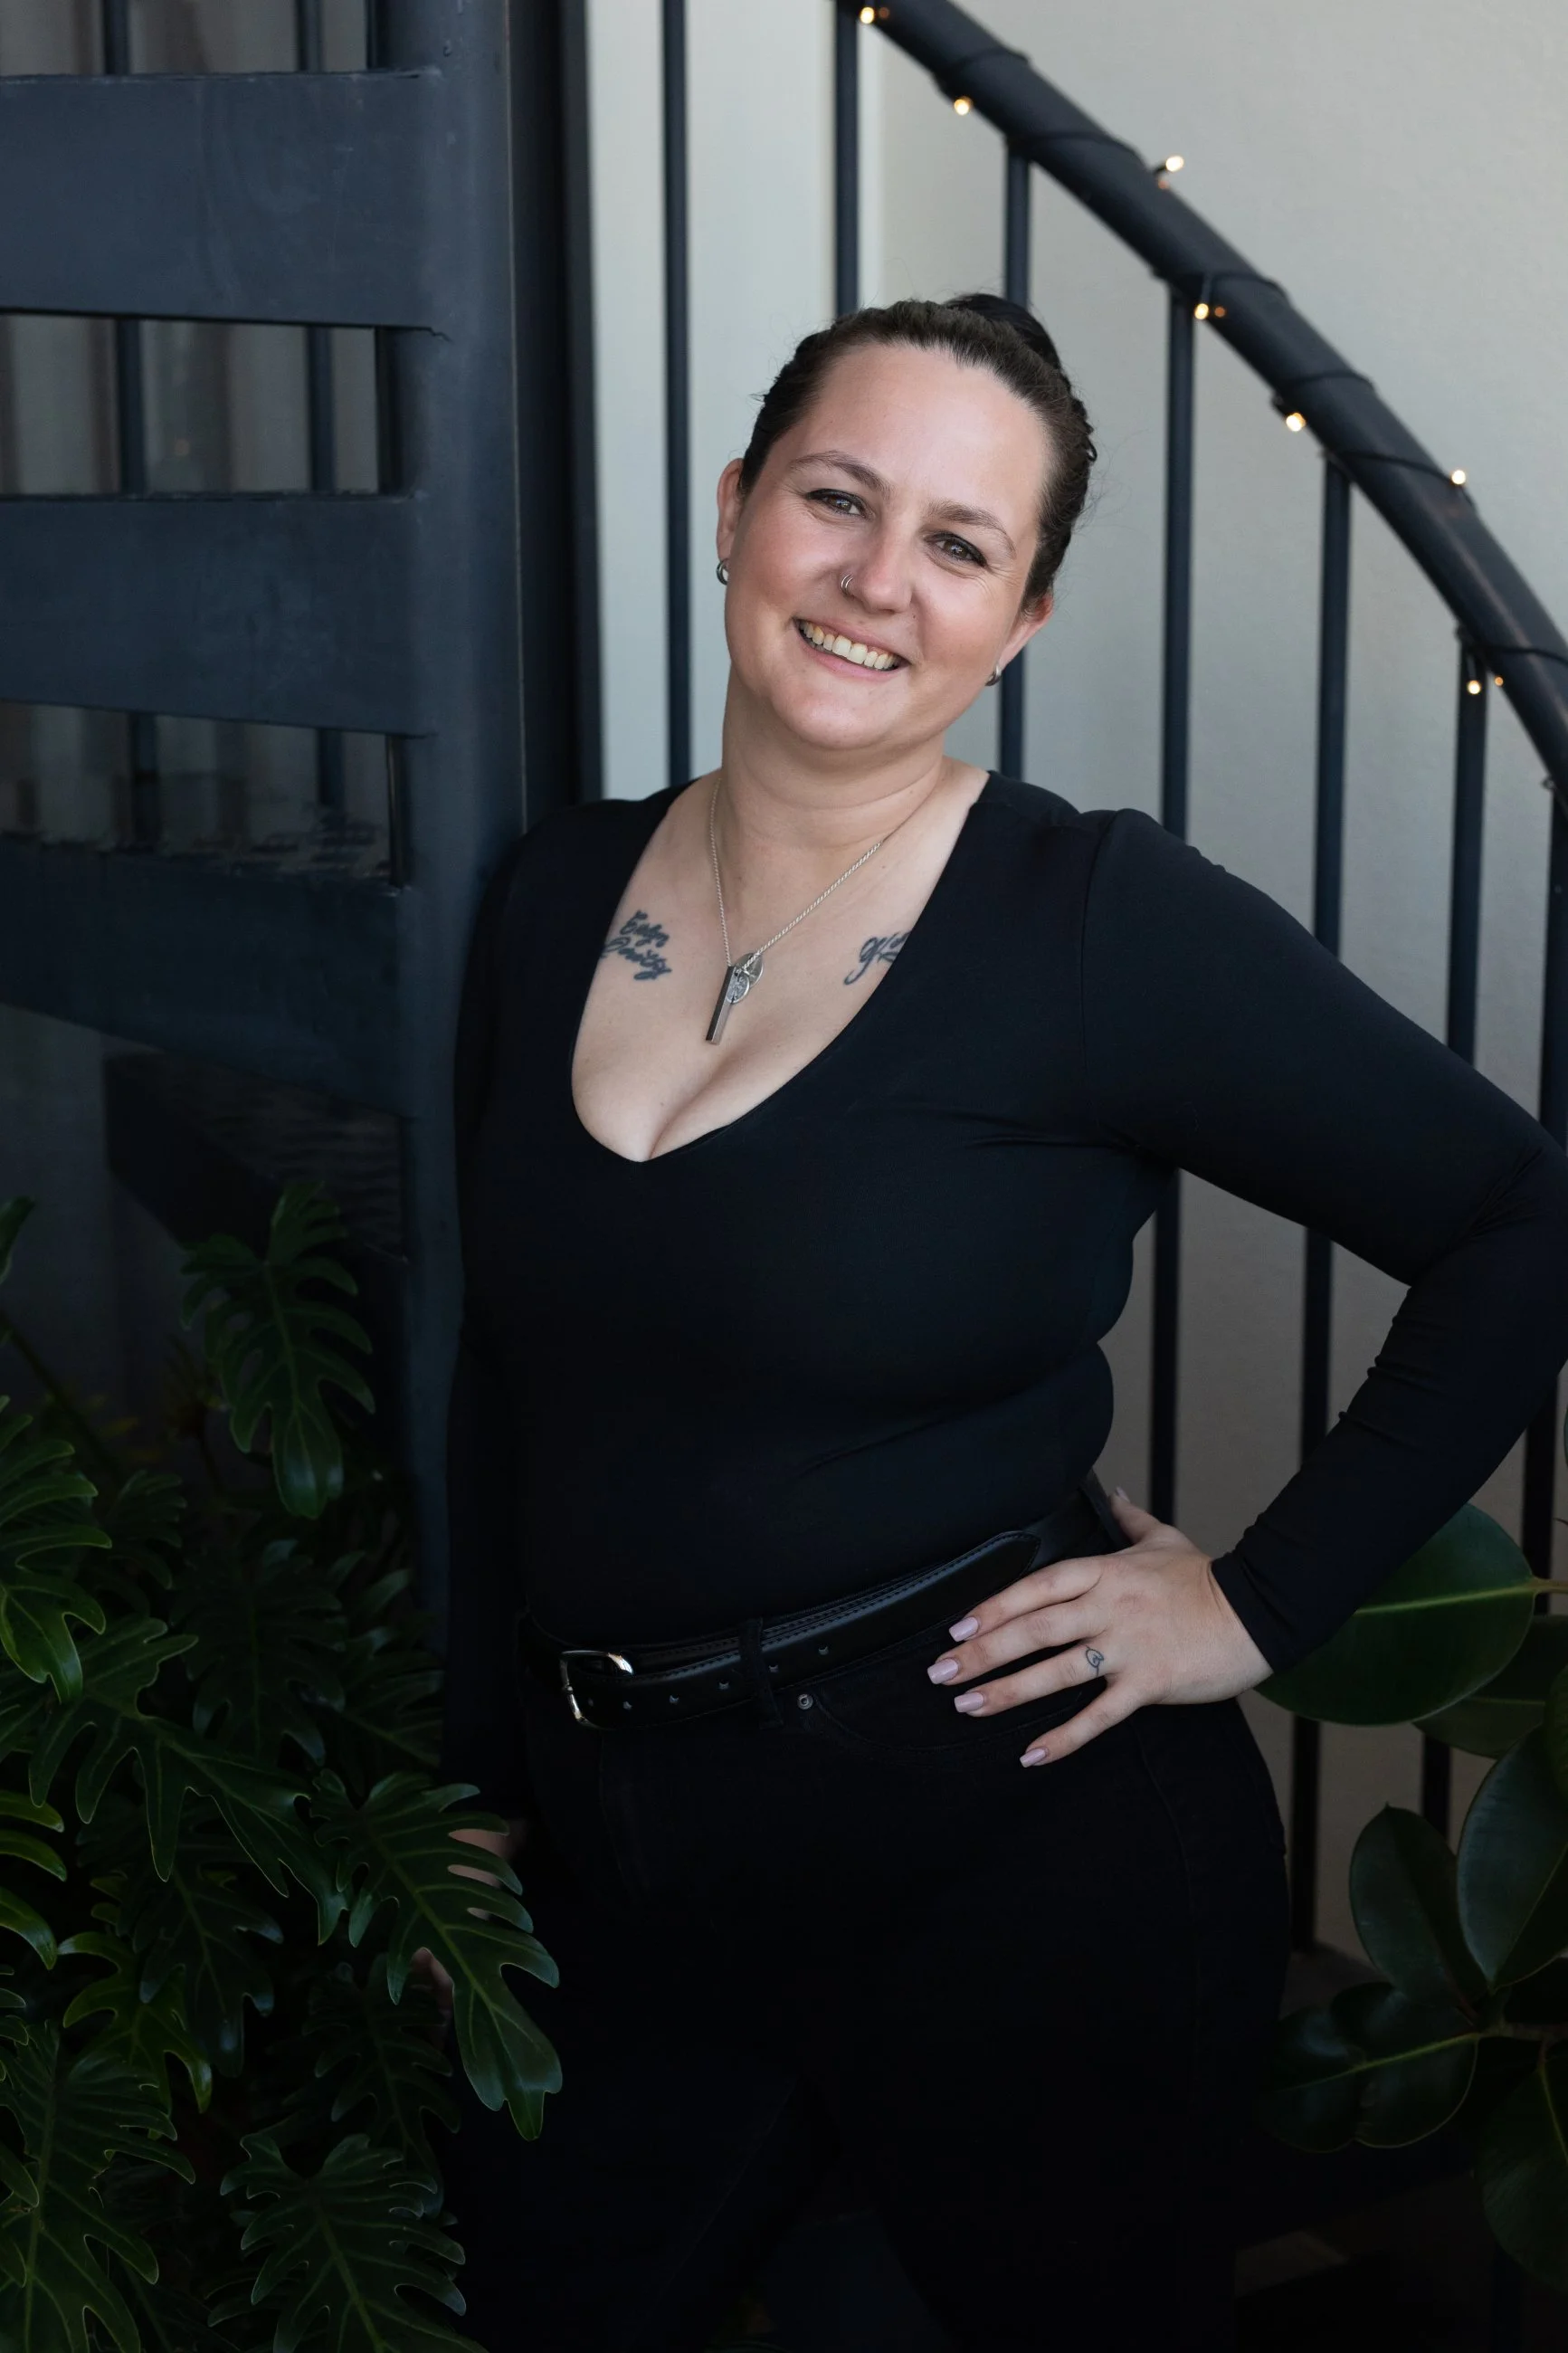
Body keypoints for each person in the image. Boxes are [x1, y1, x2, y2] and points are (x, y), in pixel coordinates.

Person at [427, 295, 1568, 2352]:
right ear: (732, 512)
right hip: (622, 1859)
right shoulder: (548, 890)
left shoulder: (1093, 921)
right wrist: (467, 1768)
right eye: (833, 499)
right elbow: (512, 1376)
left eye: (957, 544)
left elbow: (1519, 1213)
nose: (877, 579)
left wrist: (1252, 1603)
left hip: (1015, 1858)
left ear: (1017, 621)